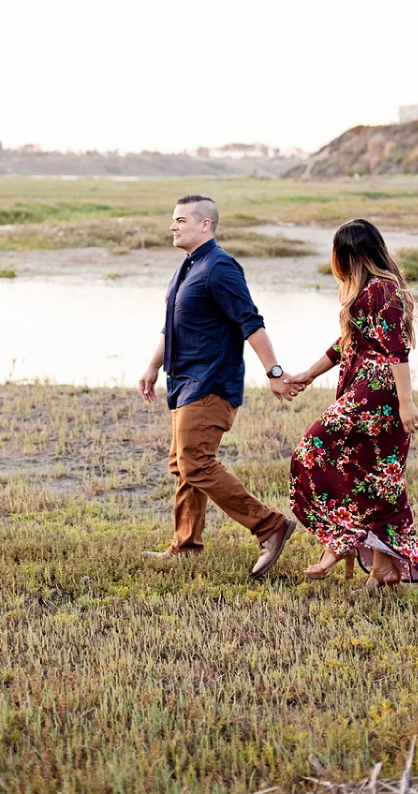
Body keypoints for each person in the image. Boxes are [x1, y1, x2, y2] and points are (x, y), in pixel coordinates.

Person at [139, 194, 297, 578]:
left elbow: (250, 322)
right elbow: (173, 325)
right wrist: (153, 366)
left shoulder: (220, 267)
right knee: (183, 466)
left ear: (204, 224)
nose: (172, 226)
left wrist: (274, 373)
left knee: (196, 462)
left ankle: (270, 525)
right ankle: (186, 545)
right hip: (183, 382)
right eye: (173, 220)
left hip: (210, 383)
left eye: (180, 220)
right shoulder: (188, 268)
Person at [289, 218, 418, 590]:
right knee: (378, 479)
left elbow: (398, 350)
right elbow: (345, 343)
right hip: (367, 390)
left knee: (311, 452)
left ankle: (341, 540)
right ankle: (383, 567)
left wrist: (406, 403)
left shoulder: (383, 290)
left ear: (349, 255)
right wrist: (308, 374)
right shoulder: (368, 290)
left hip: (377, 394)